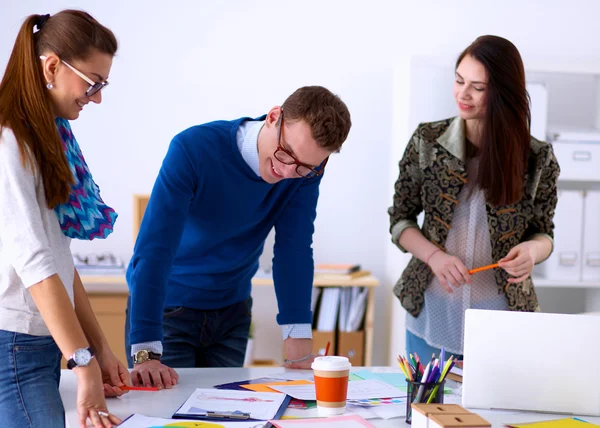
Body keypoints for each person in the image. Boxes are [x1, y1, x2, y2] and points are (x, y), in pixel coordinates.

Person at [126, 86, 352, 388]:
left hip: (232, 315)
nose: (286, 172)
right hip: (167, 311)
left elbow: (294, 249)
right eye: (286, 153)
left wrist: (298, 345)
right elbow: (155, 248)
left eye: (304, 168)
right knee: (166, 414)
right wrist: (145, 350)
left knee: (221, 415)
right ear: (274, 117)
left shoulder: (305, 172)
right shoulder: (192, 149)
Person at [388, 35, 560, 359]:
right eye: (458, 80)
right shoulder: (427, 140)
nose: (462, 94)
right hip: (430, 314)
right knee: (426, 408)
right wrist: (434, 257)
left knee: (493, 411)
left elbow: (544, 233)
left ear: (503, 93)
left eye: (478, 87)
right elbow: (400, 220)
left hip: (501, 321)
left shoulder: (537, 158)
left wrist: (532, 252)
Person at [0, 10, 130, 428]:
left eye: (102, 84)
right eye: (92, 83)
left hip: (40, 342)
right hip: (14, 344)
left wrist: (99, 348)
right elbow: (37, 265)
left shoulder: (50, 136)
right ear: (53, 66)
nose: (97, 97)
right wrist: (83, 361)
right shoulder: (9, 140)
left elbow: (60, 260)